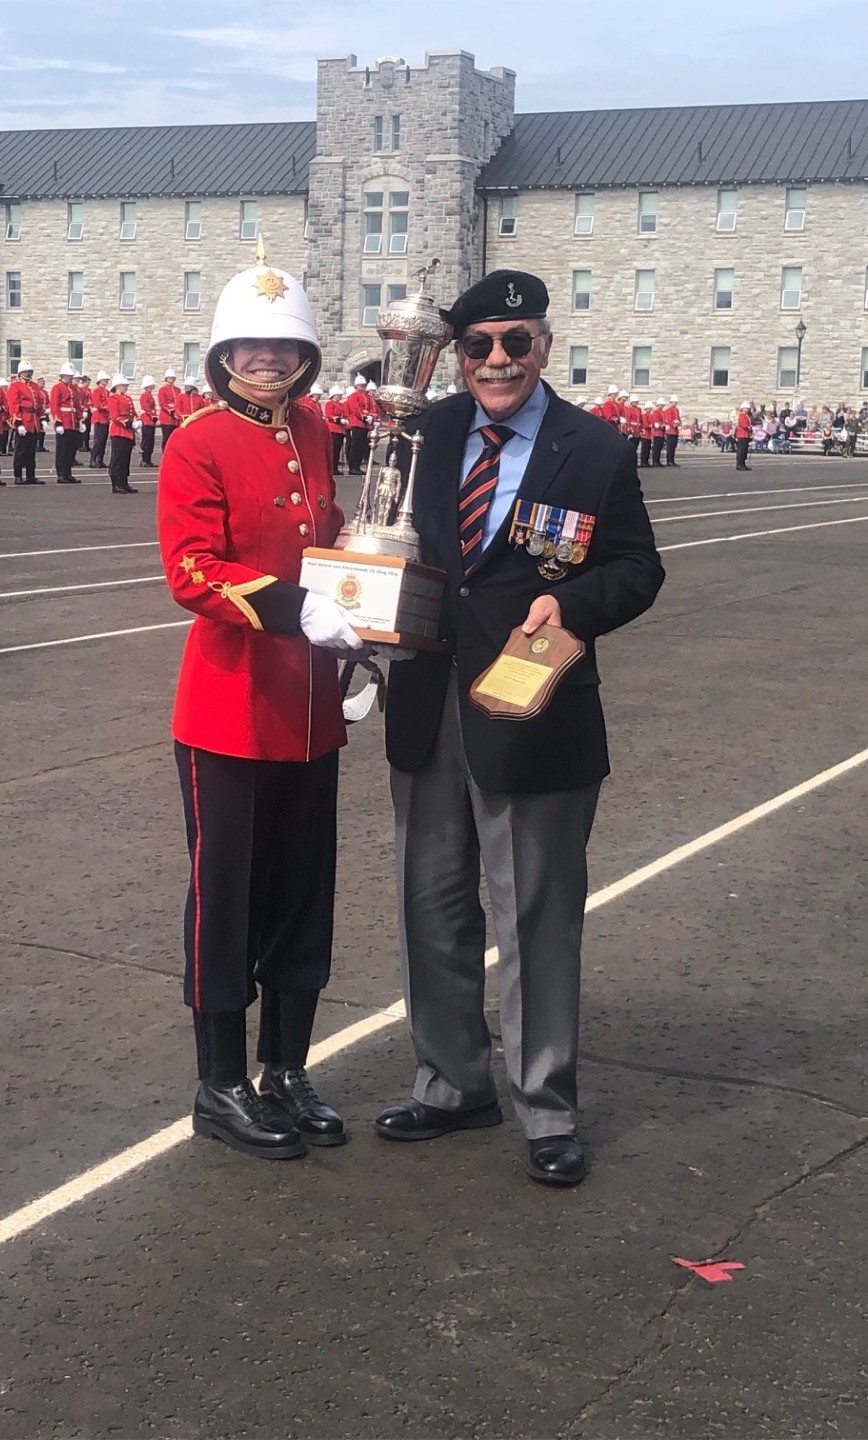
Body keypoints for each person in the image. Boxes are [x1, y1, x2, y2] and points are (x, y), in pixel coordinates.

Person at [377, 270, 664, 1186]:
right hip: (430, 700)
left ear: (545, 345)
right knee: (433, 905)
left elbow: (636, 568)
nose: (497, 361)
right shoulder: (428, 430)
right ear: (457, 356)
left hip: (535, 711)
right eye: (478, 346)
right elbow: (391, 536)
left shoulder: (597, 447)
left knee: (536, 915)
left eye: (515, 342)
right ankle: (452, 1081)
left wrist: (573, 607)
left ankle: (547, 1107)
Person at [157, 252, 365, 1162]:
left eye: (284, 347)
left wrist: (359, 583)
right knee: (228, 899)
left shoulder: (316, 428)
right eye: (252, 345)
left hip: (312, 707)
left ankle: (286, 1068)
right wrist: (293, 603)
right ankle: (220, 1084)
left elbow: (324, 533)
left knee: (300, 899)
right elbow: (191, 568)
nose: (269, 360)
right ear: (223, 353)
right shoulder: (195, 440)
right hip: (229, 710)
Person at [6, 362, 44, 485]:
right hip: (23, 419)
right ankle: (18, 475)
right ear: (20, 373)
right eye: (25, 372)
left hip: (33, 421)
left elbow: (38, 403)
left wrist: (42, 418)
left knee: (31, 451)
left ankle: (30, 475)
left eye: (29, 371)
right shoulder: (15, 386)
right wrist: (18, 422)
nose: (27, 373)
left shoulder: (34, 385)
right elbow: (14, 404)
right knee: (20, 450)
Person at [106, 376, 139, 494]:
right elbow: (115, 416)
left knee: (126, 458)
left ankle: (124, 482)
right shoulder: (113, 398)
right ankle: (116, 483)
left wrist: (136, 419)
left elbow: (132, 412)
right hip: (119, 431)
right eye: (124, 385)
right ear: (117, 386)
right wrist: (129, 423)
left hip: (128, 432)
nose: (126, 387)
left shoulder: (128, 398)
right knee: (117, 458)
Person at [50, 362, 79, 484]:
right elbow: (54, 405)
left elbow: (77, 405)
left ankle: (68, 473)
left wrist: (79, 419)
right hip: (64, 420)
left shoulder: (73, 388)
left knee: (71, 449)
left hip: (72, 421)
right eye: (67, 375)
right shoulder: (57, 387)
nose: (69, 377)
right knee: (62, 449)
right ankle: (61, 474)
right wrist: (58, 422)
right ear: (62, 375)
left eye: (70, 375)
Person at [343, 372, 372, 473]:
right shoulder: (353, 396)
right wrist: (364, 417)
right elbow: (355, 409)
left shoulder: (367, 396)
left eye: (363, 385)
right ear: (356, 385)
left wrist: (371, 417)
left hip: (364, 423)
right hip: (357, 422)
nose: (362, 386)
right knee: (355, 446)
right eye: (360, 385)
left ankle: (357, 465)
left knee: (362, 446)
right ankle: (353, 467)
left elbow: (371, 408)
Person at [324, 384, 347, 473]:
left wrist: (345, 420)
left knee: (337, 450)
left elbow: (345, 414)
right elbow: (329, 415)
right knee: (334, 450)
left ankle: (335, 467)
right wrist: (339, 419)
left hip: (340, 429)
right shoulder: (329, 404)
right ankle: (332, 468)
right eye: (338, 395)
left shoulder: (341, 405)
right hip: (333, 428)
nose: (340, 396)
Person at [158, 368, 180, 451]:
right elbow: (162, 403)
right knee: (166, 438)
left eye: (173, 378)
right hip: (166, 418)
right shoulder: (162, 390)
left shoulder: (177, 390)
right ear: (166, 378)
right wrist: (171, 410)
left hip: (176, 418)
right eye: (169, 377)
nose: (171, 379)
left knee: (174, 438)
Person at [138, 376, 158, 464]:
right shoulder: (144, 396)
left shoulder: (149, 395)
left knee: (150, 440)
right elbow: (146, 408)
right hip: (147, 419)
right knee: (146, 440)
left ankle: (148, 459)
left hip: (150, 420)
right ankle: (145, 459)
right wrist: (152, 415)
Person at [664, 394, 681, 466]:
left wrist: (679, 424)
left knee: (673, 446)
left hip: (675, 430)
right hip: (671, 430)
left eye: (676, 402)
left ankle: (672, 460)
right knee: (670, 447)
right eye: (674, 402)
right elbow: (668, 419)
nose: (675, 403)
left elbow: (678, 418)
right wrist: (674, 425)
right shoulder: (668, 410)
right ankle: (669, 461)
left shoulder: (676, 410)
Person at [735, 402, 753, 471]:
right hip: (742, 434)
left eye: (748, 408)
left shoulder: (746, 415)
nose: (747, 410)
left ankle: (743, 464)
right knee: (741, 450)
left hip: (746, 434)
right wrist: (748, 427)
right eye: (746, 408)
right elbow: (743, 424)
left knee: (744, 450)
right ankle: (739, 464)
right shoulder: (741, 415)